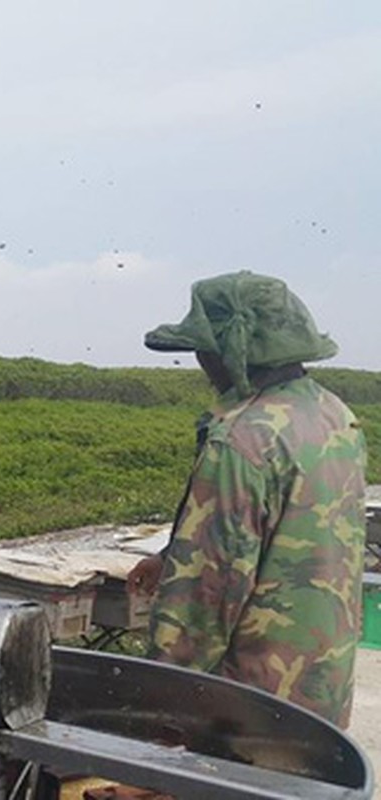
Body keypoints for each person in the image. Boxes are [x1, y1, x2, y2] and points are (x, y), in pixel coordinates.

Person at [126, 270, 367, 727]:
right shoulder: (334, 416)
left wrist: (155, 718)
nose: (200, 363)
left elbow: (201, 604)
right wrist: (171, 554)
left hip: (247, 711)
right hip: (320, 693)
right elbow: (291, 525)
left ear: (230, 352)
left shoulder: (242, 441)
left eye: (204, 349)